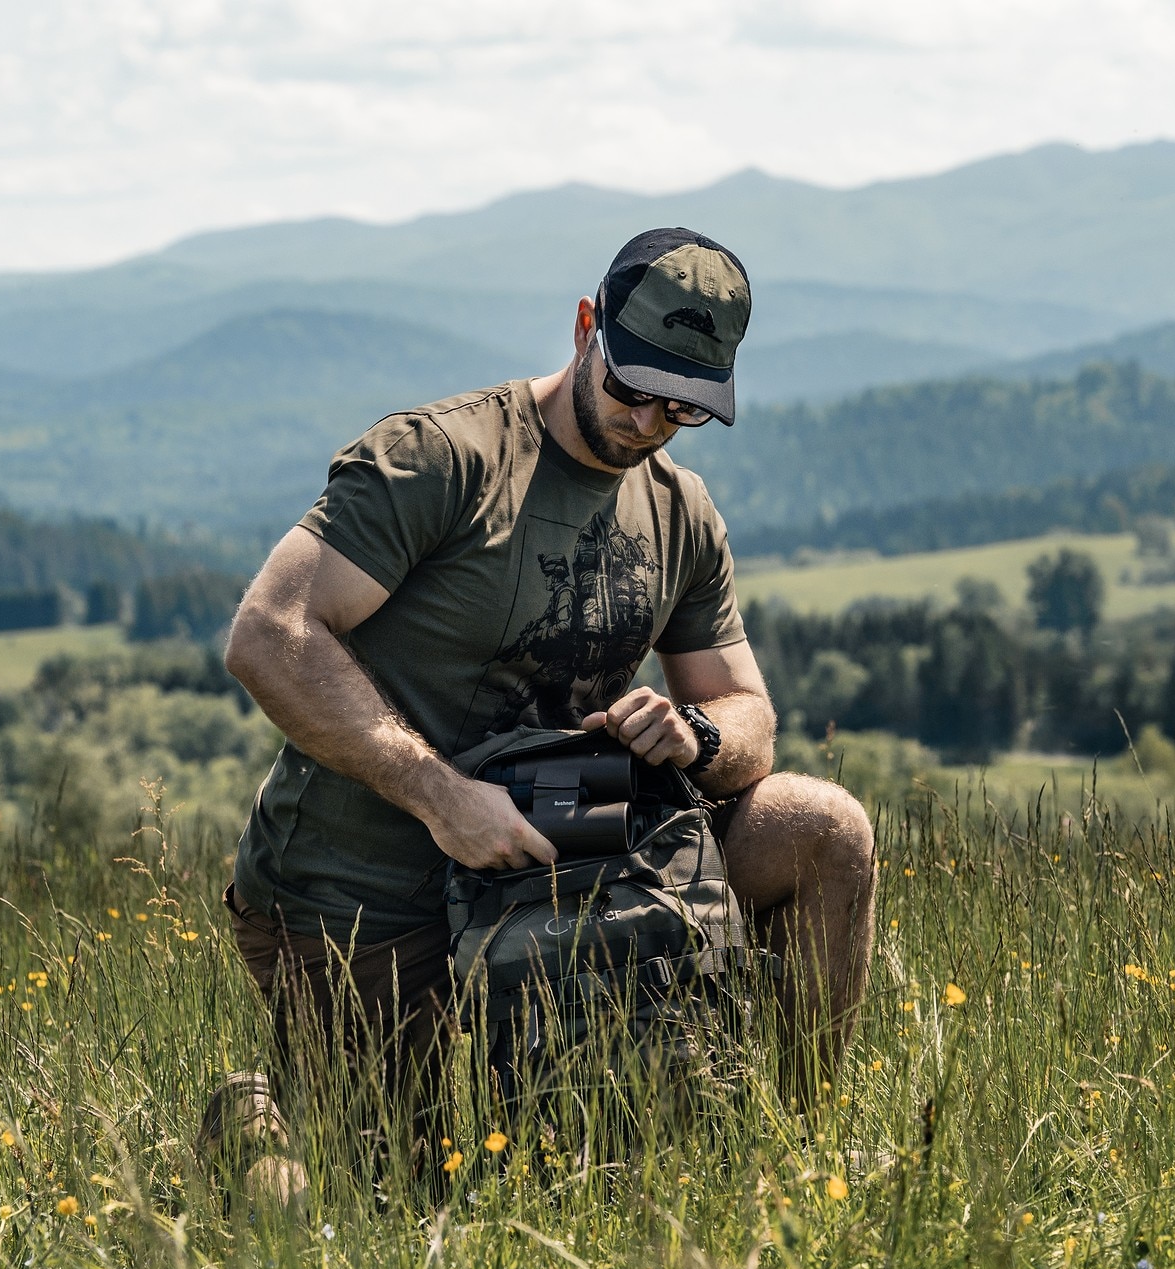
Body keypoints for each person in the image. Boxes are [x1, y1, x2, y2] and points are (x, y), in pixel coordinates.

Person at [206, 228, 876, 1180]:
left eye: (682, 407)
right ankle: (258, 1118)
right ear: (583, 329)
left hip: (570, 876)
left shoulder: (680, 513)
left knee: (827, 830)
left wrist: (693, 734)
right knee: (412, 1194)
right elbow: (268, 635)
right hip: (366, 891)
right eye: (632, 385)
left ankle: (790, 1168)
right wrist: (442, 798)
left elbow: (747, 711)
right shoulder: (442, 461)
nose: (648, 420)